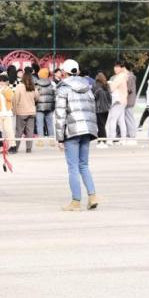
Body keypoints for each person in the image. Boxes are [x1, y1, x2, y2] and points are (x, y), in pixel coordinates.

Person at [54, 59, 99, 211]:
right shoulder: (87, 87)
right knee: (84, 165)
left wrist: (59, 137)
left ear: (64, 72)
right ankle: (92, 196)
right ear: (77, 71)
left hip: (72, 131)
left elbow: (60, 115)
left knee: (73, 167)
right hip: (87, 130)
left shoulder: (63, 89)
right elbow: (92, 110)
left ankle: (76, 201)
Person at [12, 69, 38, 153]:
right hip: (31, 111)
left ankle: (16, 148)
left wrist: (14, 110)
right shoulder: (33, 87)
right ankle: (29, 148)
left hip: (21, 112)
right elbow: (37, 97)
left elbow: (15, 99)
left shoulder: (19, 86)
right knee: (30, 131)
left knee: (19, 131)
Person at [107, 62, 129, 144]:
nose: (115, 68)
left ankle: (110, 139)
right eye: (115, 66)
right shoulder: (124, 76)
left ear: (122, 68)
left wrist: (109, 83)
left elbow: (112, 88)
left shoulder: (120, 76)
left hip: (118, 101)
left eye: (118, 67)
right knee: (121, 121)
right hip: (122, 101)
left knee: (113, 120)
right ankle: (123, 139)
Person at [0, 74, 15, 150]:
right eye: (0, 81)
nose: (1, 83)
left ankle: (12, 146)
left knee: (9, 130)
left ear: (7, 82)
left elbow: (11, 99)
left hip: (7, 113)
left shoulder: (9, 90)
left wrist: (4, 92)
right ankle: (2, 146)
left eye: (3, 81)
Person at [35, 68, 56, 146]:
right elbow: (55, 95)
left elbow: (35, 95)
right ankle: (52, 141)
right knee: (50, 124)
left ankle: (40, 141)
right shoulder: (52, 83)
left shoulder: (36, 84)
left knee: (40, 124)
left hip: (39, 107)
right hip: (49, 107)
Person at [92, 72, 112, 148]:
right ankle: (101, 140)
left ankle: (102, 141)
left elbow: (93, 97)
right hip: (106, 109)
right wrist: (109, 105)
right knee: (102, 125)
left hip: (98, 109)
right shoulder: (106, 86)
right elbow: (110, 97)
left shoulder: (95, 85)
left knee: (100, 126)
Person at [123, 63, 138, 140]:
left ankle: (131, 134)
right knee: (129, 117)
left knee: (129, 118)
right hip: (131, 100)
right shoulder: (132, 76)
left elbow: (128, 89)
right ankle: (131, 133)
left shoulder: (129, 77)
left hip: (128, 100)